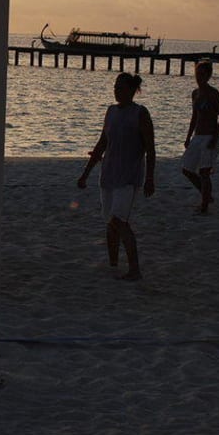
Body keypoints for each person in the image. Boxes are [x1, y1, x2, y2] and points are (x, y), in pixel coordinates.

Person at [77, 72, 156, 281]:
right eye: (115, 87)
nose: (116, 90)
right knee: (110, 223)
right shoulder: (111, 111)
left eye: (120, 87)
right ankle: (113, 264)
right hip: (108, 174)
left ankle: (135, 270)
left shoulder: (140, 113)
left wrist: (150, 178)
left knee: (119, 221)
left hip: (129, 177)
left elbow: (150, 149)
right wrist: (85, 173)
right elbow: (102, 143)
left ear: (132, 90)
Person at [181, 60, 219, 214]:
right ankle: (207, 195)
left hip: (210, 136)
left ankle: (204, 205)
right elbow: (194, 117)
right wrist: (188, 137)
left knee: (204, 172)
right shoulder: (195, 93)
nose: (199, 77)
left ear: (208, 76)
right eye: (197, 74)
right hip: (198, 136)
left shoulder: (213, 93)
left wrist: (215, 137)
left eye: (202, 74)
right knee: (187, 169)